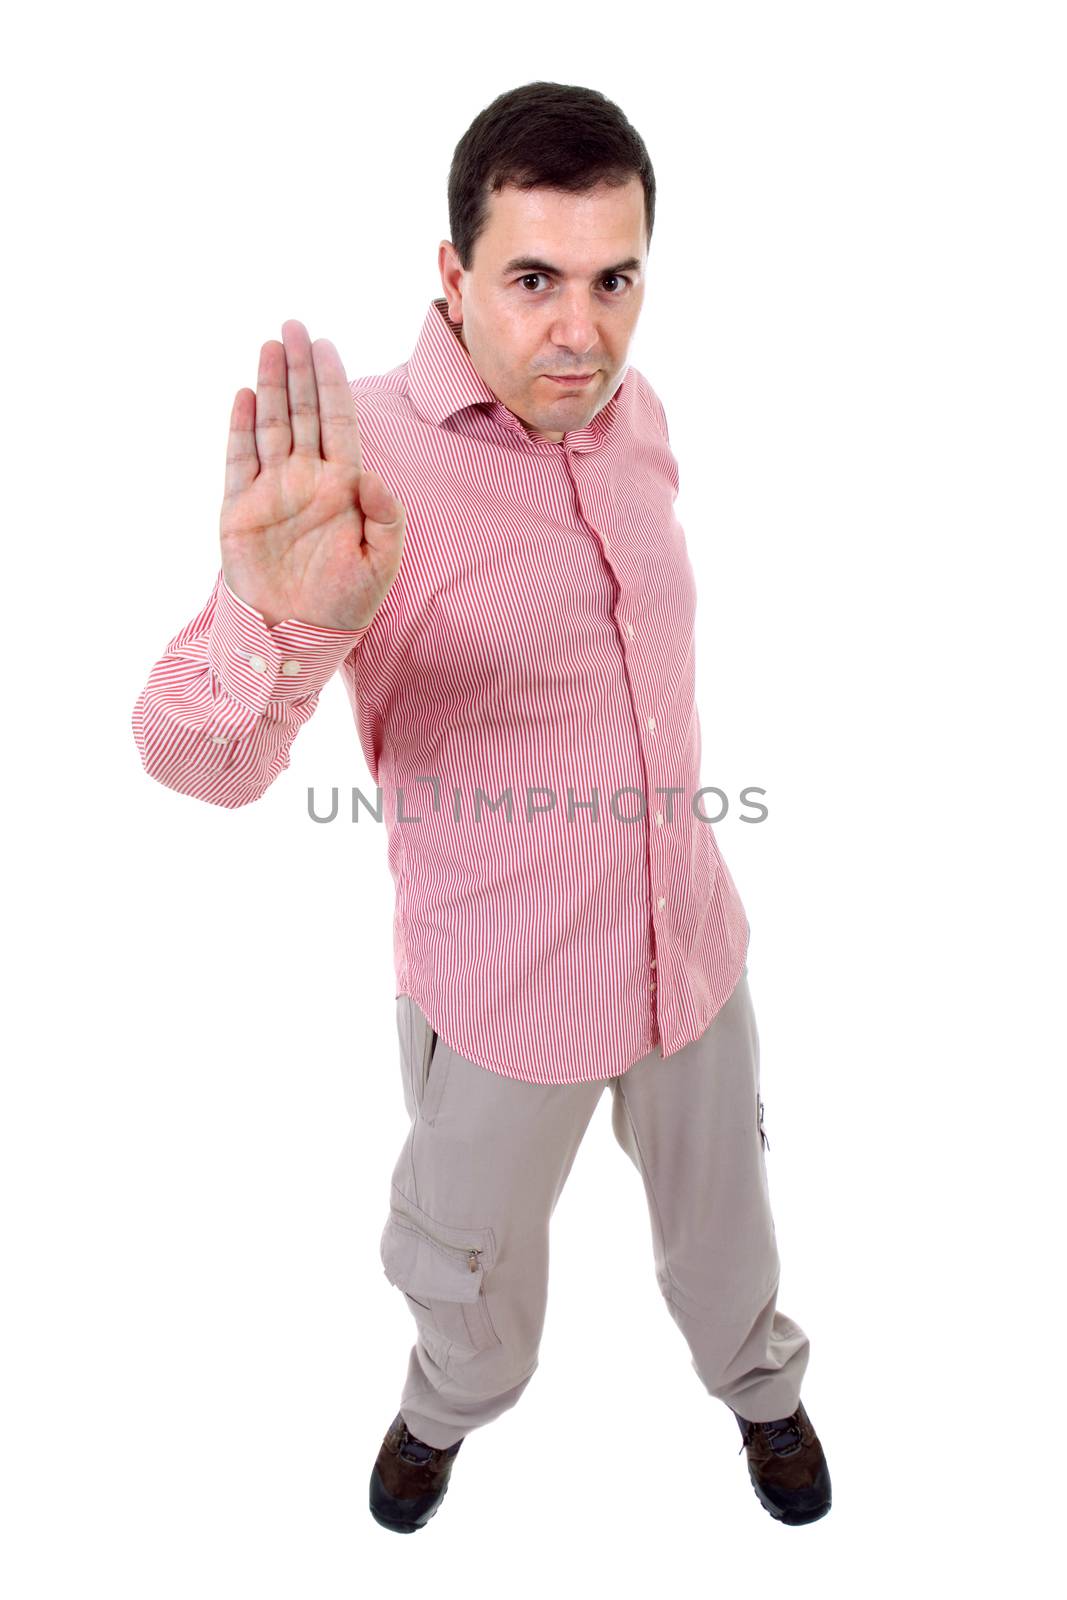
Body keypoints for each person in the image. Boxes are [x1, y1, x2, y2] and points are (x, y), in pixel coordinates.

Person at [132, 79, 831, 1533]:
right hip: (504, 991)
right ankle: (442, 1414)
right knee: (469, 1272)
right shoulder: (356, 468)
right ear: (452, 276)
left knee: (727, 1240)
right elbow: (196, 762)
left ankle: (763, 1392)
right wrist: (274, 620)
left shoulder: (636, 419)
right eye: (533, 280)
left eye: (614, 280)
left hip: (690, 945)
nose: (582, 332)